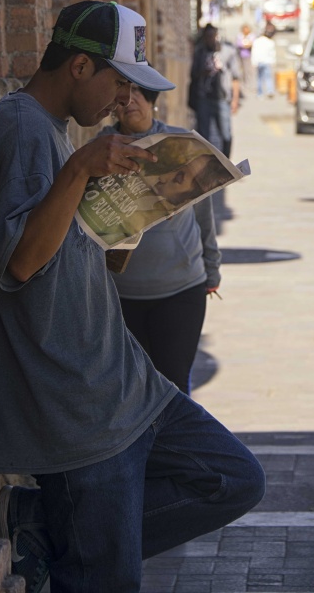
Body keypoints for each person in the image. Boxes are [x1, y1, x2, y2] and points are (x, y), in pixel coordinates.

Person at [0, 0, 264, 593]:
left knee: (235, 479)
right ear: (80, 67)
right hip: (79, 407)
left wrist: (124, 224)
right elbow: (22, 260)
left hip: (127, 386)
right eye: (120, 83)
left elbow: (66, 249)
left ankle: (39, 524)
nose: (123, 100)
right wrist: (81, 168)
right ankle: (56, 526)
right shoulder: (21, 127)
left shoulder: (54, 131)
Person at [99, 82, 221, 394]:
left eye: (138, 93)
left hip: (181, 288)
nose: (130, 101)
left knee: (174, 386)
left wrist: (212, 268)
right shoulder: (101, 149)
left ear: (151, 98)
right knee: (132, 389)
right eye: (123, 95)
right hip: (121, 293)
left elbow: (203, 213)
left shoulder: (180, 144)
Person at [188, 23, 241, 157]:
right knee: (203, 134)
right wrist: (203, 72)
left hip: (222, 98)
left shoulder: (228, 51)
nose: (210, 39)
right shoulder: (200, 52)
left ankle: (226, 161)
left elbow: (235, 77)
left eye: (212, 36)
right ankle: (206, 161)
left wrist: (235, 100)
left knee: (225, 133)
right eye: (207, 36)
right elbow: (193, 74)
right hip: (204, 97)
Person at [251, 23, 277, 98]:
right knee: (268, 77)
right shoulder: (270, 42)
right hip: (267, 61)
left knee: (260, 78)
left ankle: (260, 93)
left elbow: (254, 52)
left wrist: (254, 62)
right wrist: (273, 61)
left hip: (259, 61)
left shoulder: (257, 41)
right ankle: (270, 90)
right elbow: (272, 53)